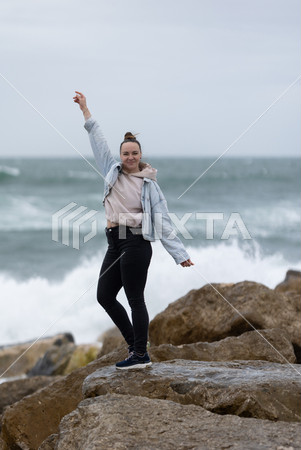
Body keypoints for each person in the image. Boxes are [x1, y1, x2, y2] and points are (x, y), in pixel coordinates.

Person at [73, 91, 194, 369]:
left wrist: (179, 253)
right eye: (126, 153)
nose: (130, 157)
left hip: (136, 243)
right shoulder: (111, 170)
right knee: (104, 295)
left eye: (134, 153)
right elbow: (98, 140)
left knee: (134, 298)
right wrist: (85, 110)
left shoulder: (149, 185)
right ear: (120, 156)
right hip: (114, 242)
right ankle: (136, 348)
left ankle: (141, 355)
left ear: (141, 155)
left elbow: (162, 220)